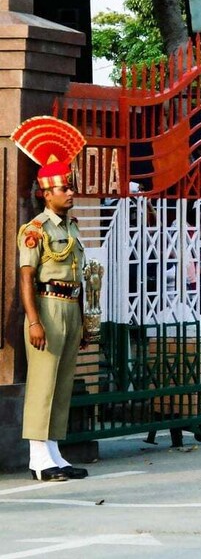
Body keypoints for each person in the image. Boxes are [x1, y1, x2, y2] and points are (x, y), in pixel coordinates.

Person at [12, 115, 90, 482]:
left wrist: (85, 317)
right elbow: (26, 277)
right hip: (46, 306)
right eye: (63, 189)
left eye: (70, 187)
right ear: (46, 193)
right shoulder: (35, 230)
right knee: (43, 381)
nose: (70, 193)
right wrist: (34, 320)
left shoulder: (71, 227)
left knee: (61, 383)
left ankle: (54, 453)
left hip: (71, 307)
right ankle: (38, 458)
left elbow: (81, 276)